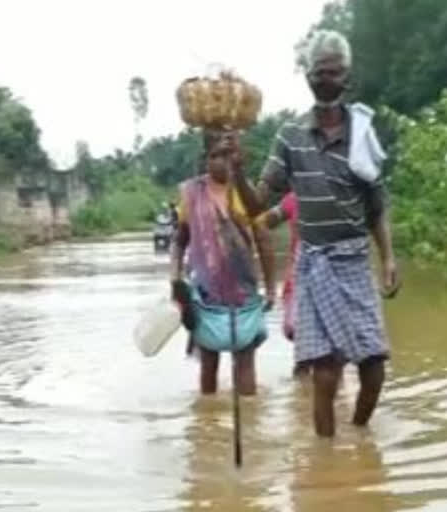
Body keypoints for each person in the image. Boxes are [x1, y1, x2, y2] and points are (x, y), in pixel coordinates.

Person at [229, 30, 400, 437]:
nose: (326, 80)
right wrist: (237, 173)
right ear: (308, 77)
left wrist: (389, 258)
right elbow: (258, 205)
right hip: (315, 263)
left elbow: (376, 208)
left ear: (347, 78)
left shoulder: (362, 134)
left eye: (334, 73)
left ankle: (359, 434)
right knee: (324, 373)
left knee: (373, 367)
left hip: (354, 260)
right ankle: (326, 459)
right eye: (319, 72)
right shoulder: (289, 136)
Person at [170, 131, 276, 396]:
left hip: (243, 290)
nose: (222, 162)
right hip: (206, 291)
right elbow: (179, 241)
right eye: (215, 155)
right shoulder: (192, 193)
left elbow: (263, 240)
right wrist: (175, 281)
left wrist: (271, 288)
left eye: (227, 155)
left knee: (245, 361)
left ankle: (250, 421)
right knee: (208, 361)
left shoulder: (244, 192)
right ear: (206, 160)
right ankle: (208, 422)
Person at [259, 192, 310, 378]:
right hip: (299, 279)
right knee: (301, 348)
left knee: (334, 357)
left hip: (332, 279)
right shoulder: (293, 199)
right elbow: (263, 222)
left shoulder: (340, 192)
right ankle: (302, 398)